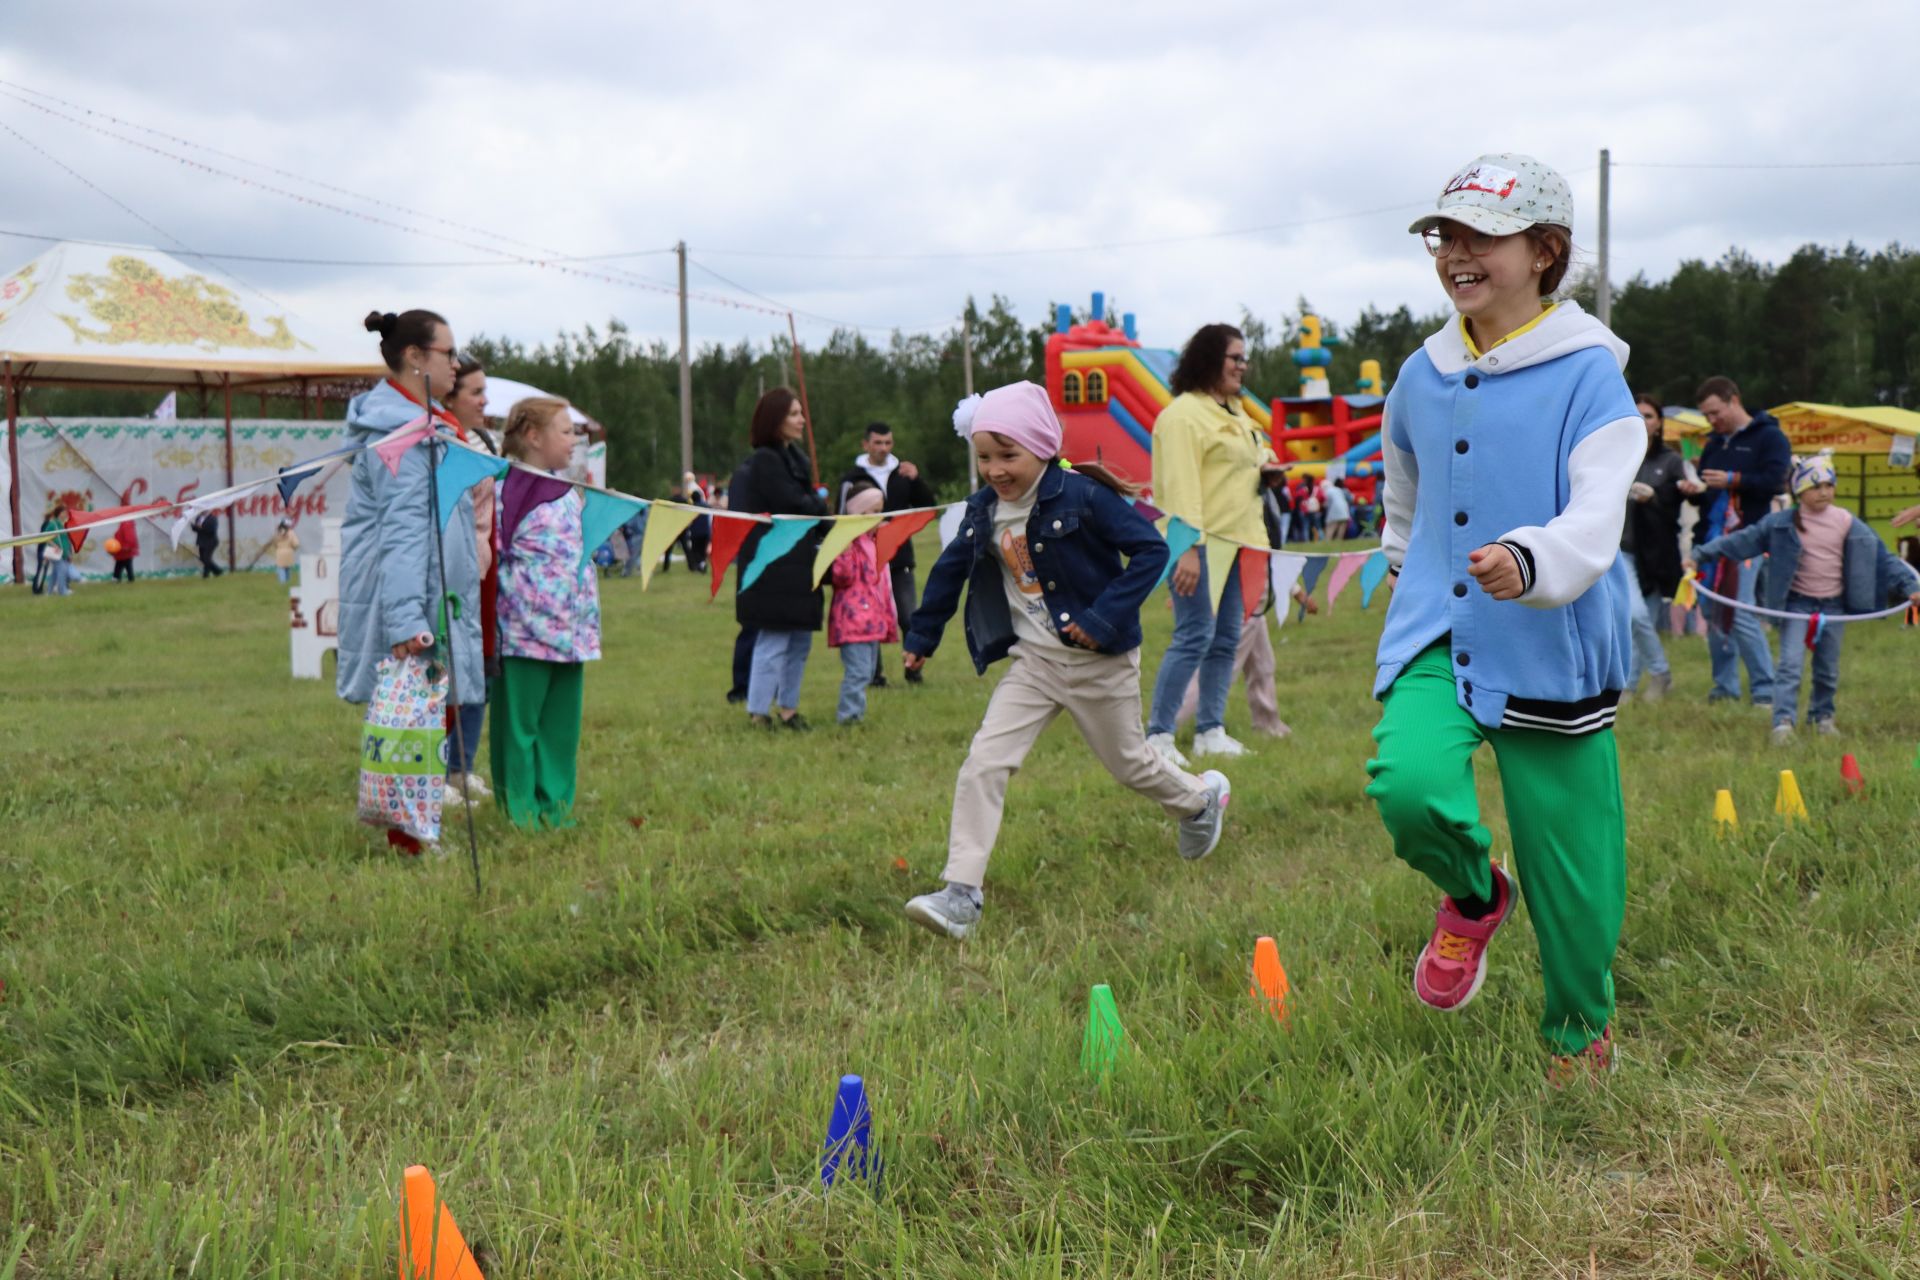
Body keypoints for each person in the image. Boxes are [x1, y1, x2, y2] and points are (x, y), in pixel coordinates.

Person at [1366, 153, 1641, 1083]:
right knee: (1407, 785)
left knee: (1573, 864)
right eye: (1446, 236)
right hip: (1440, 631)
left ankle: (1578, 1031)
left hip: (1550, 637)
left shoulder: (1590, 378)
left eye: (1482, 235)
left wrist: (1531, 561)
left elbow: (1597, 513)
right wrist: (1409, 564)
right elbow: (1405, 485)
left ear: (1545, 250)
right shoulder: (1422, 370)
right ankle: (1475, 895)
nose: (1457, 254)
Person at [899, 382, 1231, 940]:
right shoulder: (982, 510)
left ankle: (1198, 802)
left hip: (1099, 662)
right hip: (1034, 665)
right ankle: (961, 895)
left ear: (1042, 447)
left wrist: (1101, 620)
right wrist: (923, 635)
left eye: (1009, 455)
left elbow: (1150, 550)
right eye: (984, 457)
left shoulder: (1082, 496)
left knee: (1131, 765)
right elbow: (949, 572)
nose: (995, 470)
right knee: (985, 761)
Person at [338, 309, 485, 854]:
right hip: (410, 596)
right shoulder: (398, 433)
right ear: (415, 358)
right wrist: (406, 620)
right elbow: (400, 533)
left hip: (430, 589)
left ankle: (418, 828)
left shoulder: (425, 423)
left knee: (426, 708)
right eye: (448, 352)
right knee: (412, 715)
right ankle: (410, 835)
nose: (456, 362)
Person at [1688, 452, 1920, 744]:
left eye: (1828, 485)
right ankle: (1783, 722)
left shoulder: (1847, 522)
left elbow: (1883, 558)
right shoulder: (1781, 523)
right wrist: (1699, 556)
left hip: (1833, 605)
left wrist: (1911, 585)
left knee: (1827, 668)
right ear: (1799, 491)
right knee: (1790, 665)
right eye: (1815, 486)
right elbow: (1740, 541)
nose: (1823, 492)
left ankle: (1822, 716)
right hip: (1797, 604)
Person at [1143, 322, 1286, 765]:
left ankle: (1210, 730)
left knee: (1226, 639)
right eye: (1235, 358)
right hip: (1201, 546)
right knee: (1194, 636)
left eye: (1245, 358)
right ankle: (1158, 737)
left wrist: (1267, 467)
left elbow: (1252, 456)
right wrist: (1186, 547)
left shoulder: (1236, 412)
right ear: (1209, 359)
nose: (1244, 366)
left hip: (1241, 543)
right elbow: (1179, 484)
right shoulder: (1182, 415)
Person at [492, 397, 600, 830]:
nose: (575, 440)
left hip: (571, 633)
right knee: (519, 727)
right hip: (523, 632)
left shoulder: (569, 493)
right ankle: (518, 810)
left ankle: (555, 807)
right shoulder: (505, 490)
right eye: (566, 430)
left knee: (560, 728)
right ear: (534, 437)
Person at [1689, 375, 1790, 707]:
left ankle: (1765, 690)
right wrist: (1694, 492)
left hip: (1749, 538)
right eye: (1706, 415)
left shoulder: (1770, 436)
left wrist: (1735, 480)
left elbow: (1776, 482)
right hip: (1711, 537)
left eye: (1715, 412)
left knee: (1740, 611)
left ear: (1734, 400)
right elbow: (1708, 492)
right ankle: (1724, 689)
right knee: (1711, 611)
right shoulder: (1714, 444)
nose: (1711, 421)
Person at [731, 388, 828, 729]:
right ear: (775, 420)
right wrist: (817, 504)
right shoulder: (765, 461)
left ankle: (789, 708)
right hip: (773, 565)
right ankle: (758, 712)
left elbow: (809, 504)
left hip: (799, 564)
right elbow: (792, 503)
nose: (802, 420)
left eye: (801, 413)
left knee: (800, 641)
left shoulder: (795, 459)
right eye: (794, 414)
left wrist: (816, 506)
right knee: (773, 640)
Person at [838, 421, 938, 687]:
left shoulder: (903, 472)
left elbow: (928, 507)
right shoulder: (851, 477)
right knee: (869, 618)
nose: (883, 448)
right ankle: (874, 675)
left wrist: (917, 480)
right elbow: (840, 515)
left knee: (909, 616)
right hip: (864, 562)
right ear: (866, 444)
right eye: (878, 443)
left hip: (900, 558)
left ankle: (913, 668)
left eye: (888, 443)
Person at [444, 356, 500, 802]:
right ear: (449, 394)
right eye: (475, 392)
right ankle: (437, 769)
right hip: (454, 571)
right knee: (449, 668)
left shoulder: (485, 440)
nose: (485, 400)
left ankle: (463, 766)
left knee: (482, 668)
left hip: (487, 571)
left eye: (485, 391)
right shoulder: (439, 442)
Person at [1620, 393, 1699, 700]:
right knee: (1634, 617)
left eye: (1649, 416)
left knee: (1642, 622)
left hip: (1657, 555)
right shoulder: (1618, 455)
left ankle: (1630, 685)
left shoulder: (1670, 461)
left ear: (1659, 423)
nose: (1642, 420)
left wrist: (1654, 496)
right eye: (1636, 414)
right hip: (1622, 550)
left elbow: (1686, 501)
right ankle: (1660, 672)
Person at [827, 484, 897, 725]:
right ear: (858, 513)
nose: (879, 516)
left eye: (881, 510)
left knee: (866, 673)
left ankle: (856, 714)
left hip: (870, 620)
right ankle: (848, 718)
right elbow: (842, 577)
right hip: (852, 620)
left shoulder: (872, 541)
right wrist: (844, 551)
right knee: (857, 673)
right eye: (873, 511)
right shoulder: (848, 542)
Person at [38, 499, 74, 596]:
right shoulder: (53, 523)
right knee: (62, 571)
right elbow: (45, 536)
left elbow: (66, 540)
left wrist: (69, 553)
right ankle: (62, 591)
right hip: (56, 552)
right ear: (59, 513)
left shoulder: (63, 525)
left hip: (64, 553)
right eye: (64, 512)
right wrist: (55, 546)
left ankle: (49, 592)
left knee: (54, 573)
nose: (66, 514)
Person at [678, 471, 711, 572]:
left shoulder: (693, 490)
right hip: (706, 531)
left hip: (696, 532)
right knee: (702, 549)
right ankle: (702, 564)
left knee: (696, 549)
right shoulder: (705, 504)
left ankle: (699, 565)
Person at [192, 509, 223, 578]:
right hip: (201, 541)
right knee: (203, 558)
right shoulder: (199, 518)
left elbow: (211, 530)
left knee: (206, 558)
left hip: (211, 541)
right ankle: (211, 573)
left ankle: (216, 571)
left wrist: (200, 528)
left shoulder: (213, 518)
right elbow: (197, 529)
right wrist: (194, 527)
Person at [269, 520, 300, 584]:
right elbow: (296, 543)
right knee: (287, 568)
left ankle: (283, 583)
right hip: (289, 552)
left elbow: (274, 542)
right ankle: (288, 582)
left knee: (281, 568)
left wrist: (277, 548)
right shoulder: (291, 533)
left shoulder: (278, 533)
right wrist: (293, 548)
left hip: (280, 552)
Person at [110, 517, 139, 582]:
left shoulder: (126, 524)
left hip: (125, 550)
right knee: (123, 565)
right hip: (123, 550)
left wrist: (126, 547)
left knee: (123, 565)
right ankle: (119, 578)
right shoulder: (125, 525)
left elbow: (129, 538)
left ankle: (118, 578)